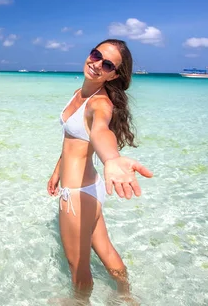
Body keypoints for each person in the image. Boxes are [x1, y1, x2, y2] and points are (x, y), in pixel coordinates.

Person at [47, 39, 153, 303]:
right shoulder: (78, 93)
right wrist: (57, 170)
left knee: (77, 266)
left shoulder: (100, 105)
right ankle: (127, 296)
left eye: (107, 64)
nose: (97, 64)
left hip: (77, 196)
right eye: (96, 55)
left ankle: (79, 301)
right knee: (104, 249)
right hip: (88, 189)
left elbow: (100, 131)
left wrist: (112, 159)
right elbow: (73, 139)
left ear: (114, 74)